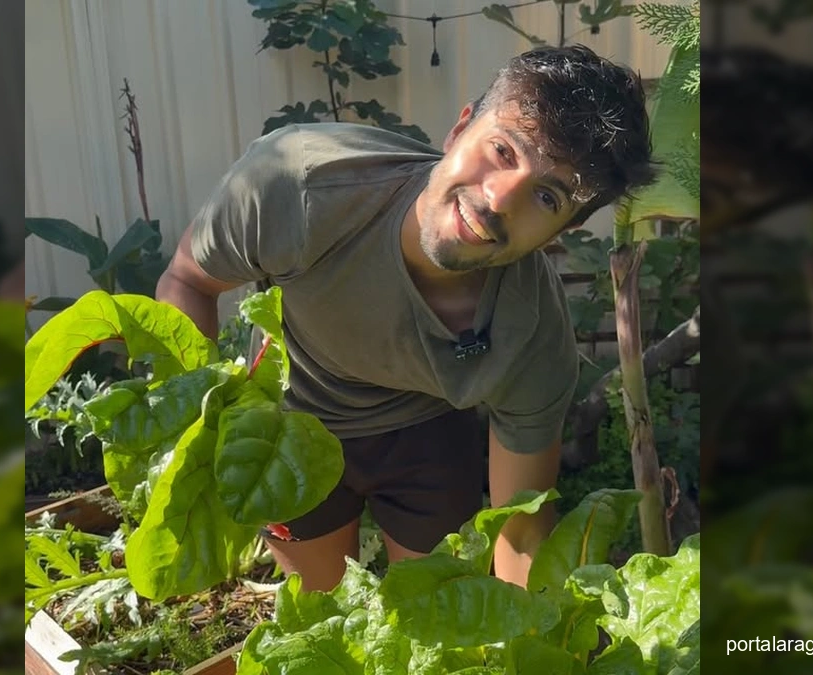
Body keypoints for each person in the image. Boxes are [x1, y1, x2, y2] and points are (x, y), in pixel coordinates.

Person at [155, 45, 656, 592]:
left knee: (430, 620)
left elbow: (521, 530)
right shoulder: (298, 186)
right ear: (461, 128)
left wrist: (535, 645)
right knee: (317, 612)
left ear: (559, 235)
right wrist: (194, 435)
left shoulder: (532, 336)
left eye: (546, 196)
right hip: (288, 425)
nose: (497, 198)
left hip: (427, 434)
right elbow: (187, 281)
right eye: (503, 150)